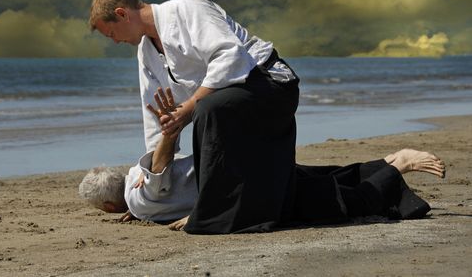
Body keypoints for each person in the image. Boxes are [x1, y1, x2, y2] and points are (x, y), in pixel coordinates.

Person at [89, 0, 299, 234]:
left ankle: (210, 211)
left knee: (206, 109)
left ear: (122, 14)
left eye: (111, 33)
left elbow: (231, 56)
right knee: (207, 109)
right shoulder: (146, 53)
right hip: (229, 104)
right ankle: (215, 205)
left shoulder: (188, 8)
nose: (114, 41)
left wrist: (188, 106)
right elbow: (156, 116)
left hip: (270, 83)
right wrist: (151, 188)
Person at [79, 88, 446, 230]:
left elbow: (157, 177)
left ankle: (399, 165)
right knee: (328, 177)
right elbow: (153, 180)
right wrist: (138, 206)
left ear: (111, 207)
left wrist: (169, 133)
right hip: (249, 167)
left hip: (246, 183)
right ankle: (390, 158)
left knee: (340, 202)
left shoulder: (142, 196)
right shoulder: (135, 189)